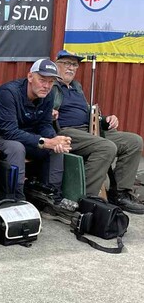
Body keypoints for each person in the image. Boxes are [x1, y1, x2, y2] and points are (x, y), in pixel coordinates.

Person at [52, 50, 144, 214]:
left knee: (134, 141)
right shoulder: (51, 86)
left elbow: (89, 113)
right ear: (56, 64)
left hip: (89, 129)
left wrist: (106, 120)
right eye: (67, 63)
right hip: (67, 131)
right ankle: (85, 199)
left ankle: (120, 194)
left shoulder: (76, 87)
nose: (71, 68)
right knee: (106, 147)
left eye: (74, 65)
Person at [0, 58, 75, 211]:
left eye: (51, 82)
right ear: (30, 77)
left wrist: (54, 139)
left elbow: (45, 124)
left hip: (25, 135)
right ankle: (16, 199)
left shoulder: (48, 94)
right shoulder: (8, 93)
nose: (47, 86)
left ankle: (52, 198)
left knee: (55, 148)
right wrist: (45, 141)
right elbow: (9, 131)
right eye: (42, 80)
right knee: (16, 148)